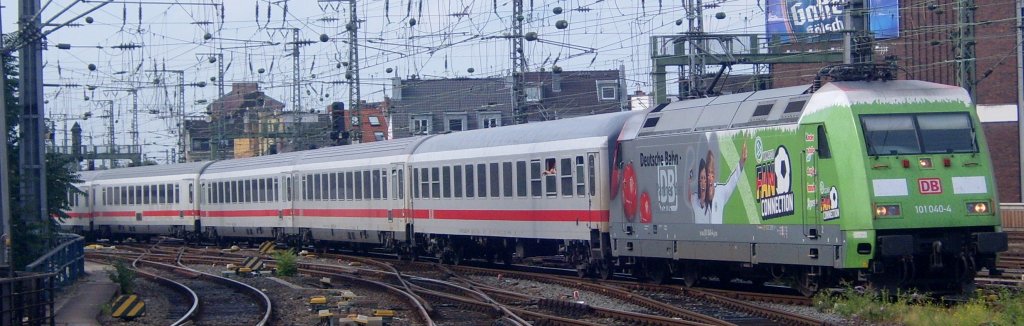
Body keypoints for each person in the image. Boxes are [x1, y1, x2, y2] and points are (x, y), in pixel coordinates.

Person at [704, 142, 748, 224]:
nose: (710, 177)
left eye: (712, 173)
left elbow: (733, 181)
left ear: (714, 175)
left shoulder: (720, 192)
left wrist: (742, 161)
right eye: (707, 174)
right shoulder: (700, 196)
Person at [688, 159, 710, 224]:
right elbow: (687, 196)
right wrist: (689, 175)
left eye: (705, 178)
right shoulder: (694, 199)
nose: (703, 182)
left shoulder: (711, 203)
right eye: (701, 178)